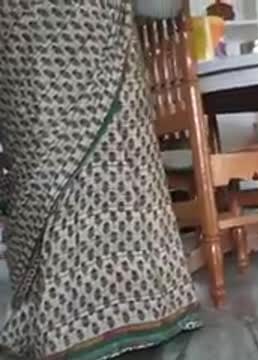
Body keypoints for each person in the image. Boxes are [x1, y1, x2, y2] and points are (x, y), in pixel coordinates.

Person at [0, 1, 201, 358]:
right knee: (93, 162)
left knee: (55, 161)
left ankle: (62, 319)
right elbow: (163, 7)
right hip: (62, 41)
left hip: (23, 43)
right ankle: (132, 305)